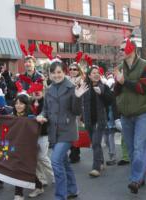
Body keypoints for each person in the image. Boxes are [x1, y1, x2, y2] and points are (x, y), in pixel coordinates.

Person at [37, 61, 88, 200]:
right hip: (53, 131)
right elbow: (46, 109)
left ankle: (60, 196)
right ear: (49, 74)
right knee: (64, 162)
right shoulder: (48, 90)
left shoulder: (72, 87)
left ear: (64, 72)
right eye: (53, 73)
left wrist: (78, 97)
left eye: (59, 72)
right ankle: (72, 189)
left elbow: (77, 111)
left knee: (55, 161)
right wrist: (42, 116)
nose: (56, 75)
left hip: (67, 131)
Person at [114, 38, 146, 194]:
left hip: (143, 112)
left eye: (123, 49)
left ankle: (135, 179)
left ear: (132, 50)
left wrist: (124, 81)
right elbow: (116, 92)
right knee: (131, 149)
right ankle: (140, 175)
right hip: (125, 114)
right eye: (120, 49)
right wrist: (118, 82)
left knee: (138, 147)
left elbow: (143, 88)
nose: (121, 51)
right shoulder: (119, 68)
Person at [82, 65, 113, 177]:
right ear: (89, 76)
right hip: (89, 120)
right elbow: (81, 103)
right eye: (93, 73)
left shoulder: (104, 86)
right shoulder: (84, 87)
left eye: (97, 72)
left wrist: (102, 93)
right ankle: (101, 161)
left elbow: (110, 101)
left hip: (100, 120)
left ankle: (96, 168)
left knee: (95, 143)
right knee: (95, 143)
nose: (96, 74)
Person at [28, 83, 54, 198]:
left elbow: (50, 116)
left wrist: (44, 118)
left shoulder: (46, 103)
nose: (36, 93)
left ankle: (54, 175)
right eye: (34, 91)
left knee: (42, 157)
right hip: (32, 135)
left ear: (43, 91)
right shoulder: (30, 103)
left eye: (39, 91)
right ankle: (42, 179)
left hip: (43, 134)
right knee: (36, 158)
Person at [12, 94, 34, 200]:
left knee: (19, 168)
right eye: (16, 103)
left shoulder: (31, 117)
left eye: (21, 103)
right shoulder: (12, 117)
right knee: (19, 168)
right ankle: (38, 186)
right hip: (14, 147)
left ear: (26, 105)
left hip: (28, 147)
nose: (18, 106)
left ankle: (18, 193)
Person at [67, 62, 85, 164]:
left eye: (75, 69)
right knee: (69, 132)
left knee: (76, 132)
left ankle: (75, 154)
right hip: (67, 110)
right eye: (71, 69)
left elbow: (83, 97)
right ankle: (72, 152)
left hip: (77, 110)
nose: (72, 71)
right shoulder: (66, 80)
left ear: (78, 71)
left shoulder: (81, 81)